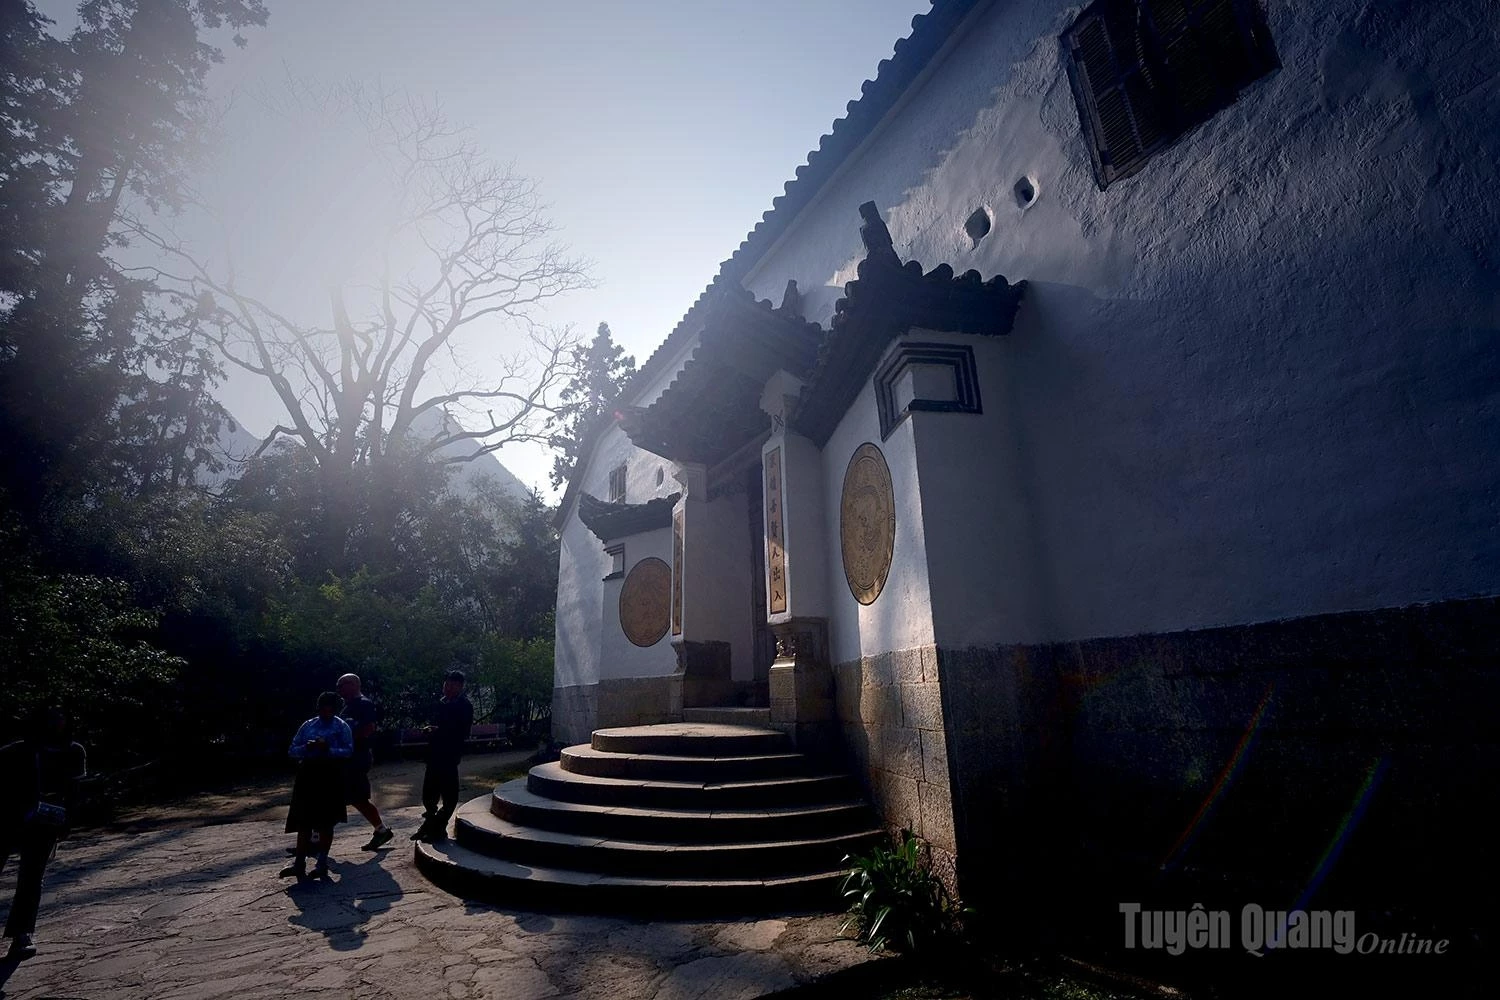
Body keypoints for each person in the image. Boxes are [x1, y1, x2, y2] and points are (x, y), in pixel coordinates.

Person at [1, 706, 87, 962]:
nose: (57, 721)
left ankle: (22, 934)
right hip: (7, 817)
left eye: (61, 716)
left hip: (46, 819)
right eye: (51, 717)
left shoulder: (73, 750)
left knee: (31, 877)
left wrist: (67, 820)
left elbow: (73, 790)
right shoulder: (16, 750)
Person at [281, 692, 353, 881]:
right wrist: (307, 747)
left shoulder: (341, 727)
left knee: (325, 822)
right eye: (322, 708)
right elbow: (292, 750)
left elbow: (348, 750)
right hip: (308, 773)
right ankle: (299, 863)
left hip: (330, 775)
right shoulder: (308, 725)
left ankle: (322, 863)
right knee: (303, 820)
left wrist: (328, 749)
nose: (325, 712)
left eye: (329, 709)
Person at [410, 670, 473, 843]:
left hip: (450, 754)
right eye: (445, 684)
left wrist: (440, 731)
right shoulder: (441, 703)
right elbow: (436, 724)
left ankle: (438, 825)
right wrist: (430, 729)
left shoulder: (464, 705)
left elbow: (462, 731)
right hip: (433, 754)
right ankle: (430, 824)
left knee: (449, 794)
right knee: (429, 792)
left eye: (451, 684)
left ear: (460, 686)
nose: (447, 687)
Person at [335, 673, 393, 851]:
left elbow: (369, 728)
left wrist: (349, 741)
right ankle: (380, 829)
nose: (338, 689)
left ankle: (315, 839)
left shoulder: (364, 704)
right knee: (352, 798)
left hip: (357, 756)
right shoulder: (347, 707)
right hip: (346, 757)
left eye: (341, 685)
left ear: (353, 684)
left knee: (354, 797)